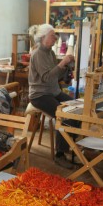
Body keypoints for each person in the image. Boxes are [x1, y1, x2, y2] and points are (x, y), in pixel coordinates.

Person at [28, 23, 75, 169]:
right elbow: (47, 78)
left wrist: (66, 68)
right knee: (64, 115)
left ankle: (71, 147)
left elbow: (55, 75)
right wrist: (62, 63)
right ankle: (60, 154)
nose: (55, 38)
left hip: (52, 91)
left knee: (76, 108)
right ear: (43, 38)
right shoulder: (38, 54)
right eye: (52, 35)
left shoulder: (50, 52)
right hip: (39, 95)